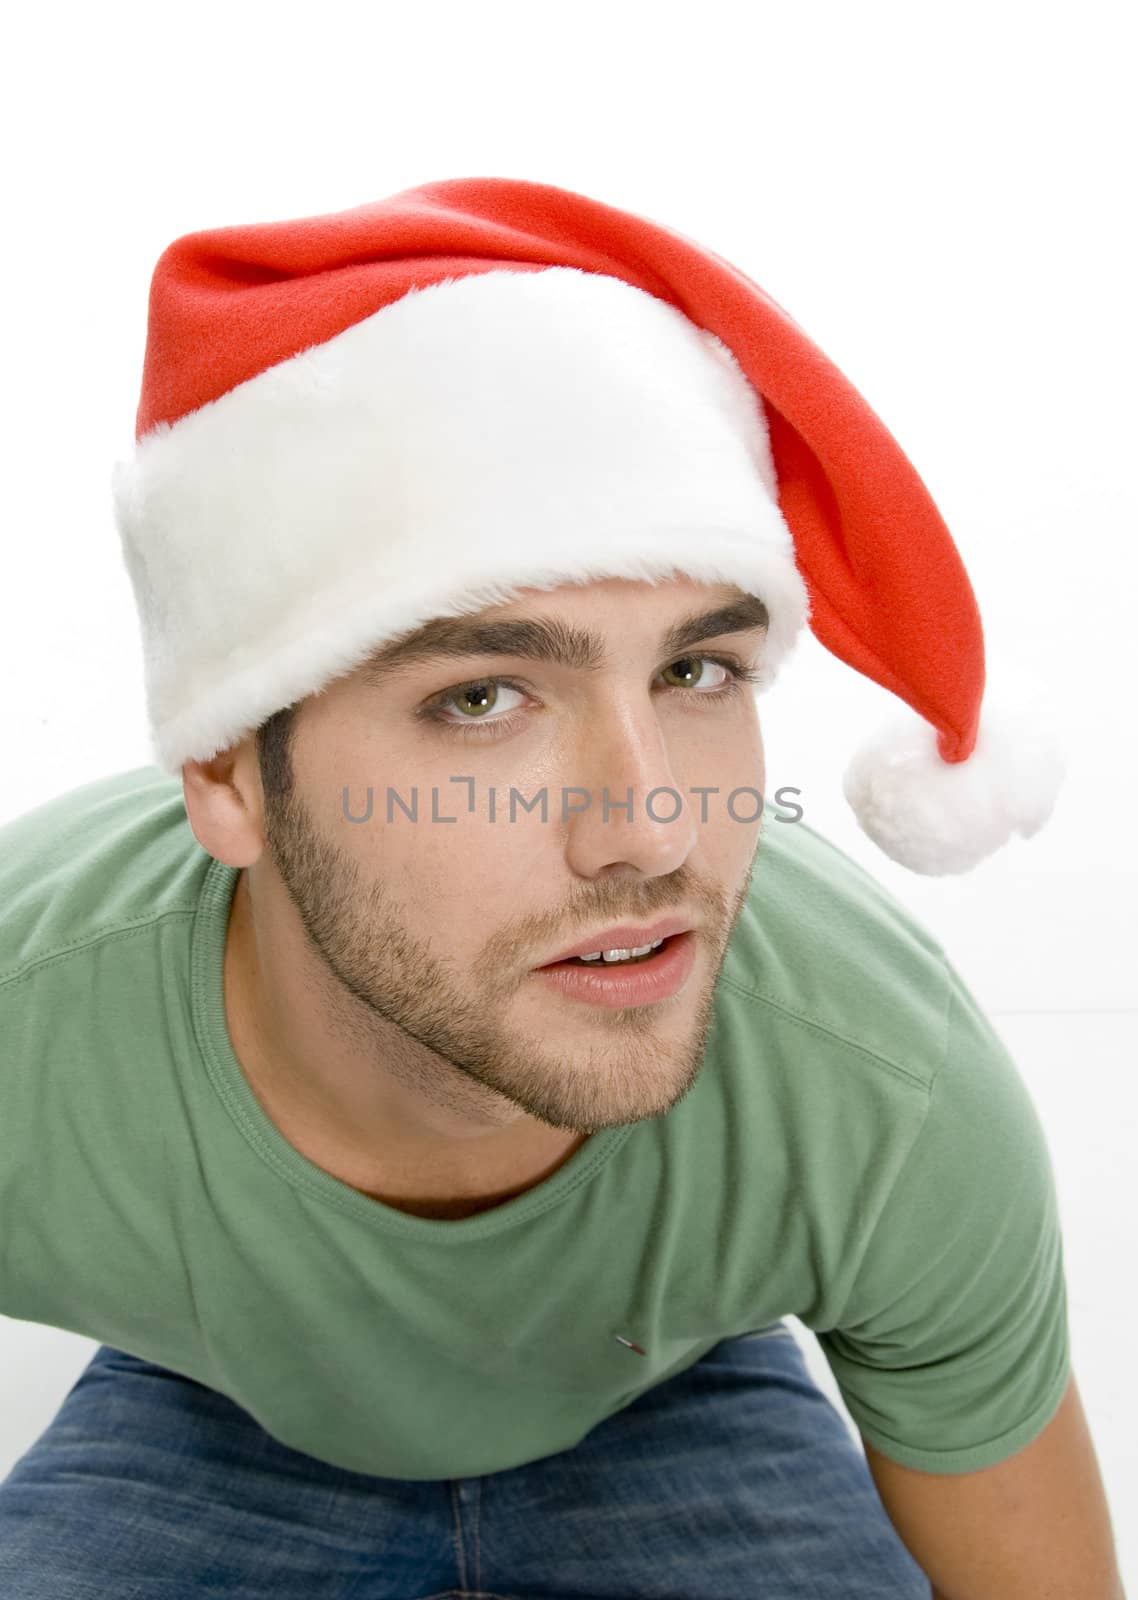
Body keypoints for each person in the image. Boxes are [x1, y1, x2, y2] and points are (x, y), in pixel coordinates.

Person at [0, 177, 1124, 1598]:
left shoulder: (880, 1086)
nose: (650, 830)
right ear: (228, 775)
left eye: (695, 670)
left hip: (671, 1396)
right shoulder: (24, 1032)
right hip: (206, 1407)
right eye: (481, 696)